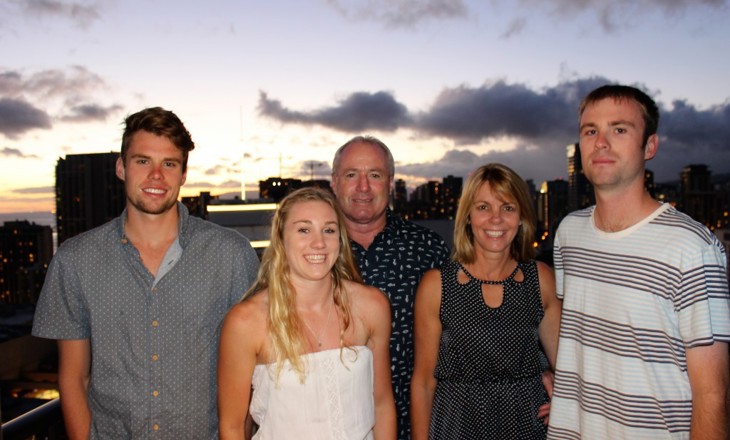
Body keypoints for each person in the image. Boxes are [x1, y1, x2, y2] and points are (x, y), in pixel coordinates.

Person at [32, 107, 260, 439]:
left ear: (183, 174)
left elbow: (255, 374)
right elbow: (74, 378)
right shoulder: (75, 260)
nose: (156, 176)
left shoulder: (232, 255)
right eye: (143, 161)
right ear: (121, 167)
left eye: (169, 164)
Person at [548, 85, 730, 439]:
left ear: (649, 146)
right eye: (590, 131)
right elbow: (583, 336)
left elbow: (714, 394)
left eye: (619, 129)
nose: (601, 142)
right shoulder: (569, 234)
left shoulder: (690, 248)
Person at [217, 187, 396, 440]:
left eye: (329, 230)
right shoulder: (246, 322)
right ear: (281, 239)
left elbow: (382, 404)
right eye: (304, 229)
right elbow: (233, 427)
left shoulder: (372, 306)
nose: (319, 243)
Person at [410, 163, 561, 439]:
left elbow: (568, 366)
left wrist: (565, 399)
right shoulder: (437, 285)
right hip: (456, 427)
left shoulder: (541, 280)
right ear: (467, 215)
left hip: (526, 427)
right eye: (483, 207)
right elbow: (422, 383)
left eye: (508, 208)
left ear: (522, 217)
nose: (496, 219)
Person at [331, 136, 450, 439]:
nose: (363, 187)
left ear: (390, 182)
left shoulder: (428, 249)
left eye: (374, 175)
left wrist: (535, 368)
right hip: (330, 423)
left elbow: (465, 330)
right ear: (334, 183)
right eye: (351, 175)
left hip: (415, 424)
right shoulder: (313, 253)